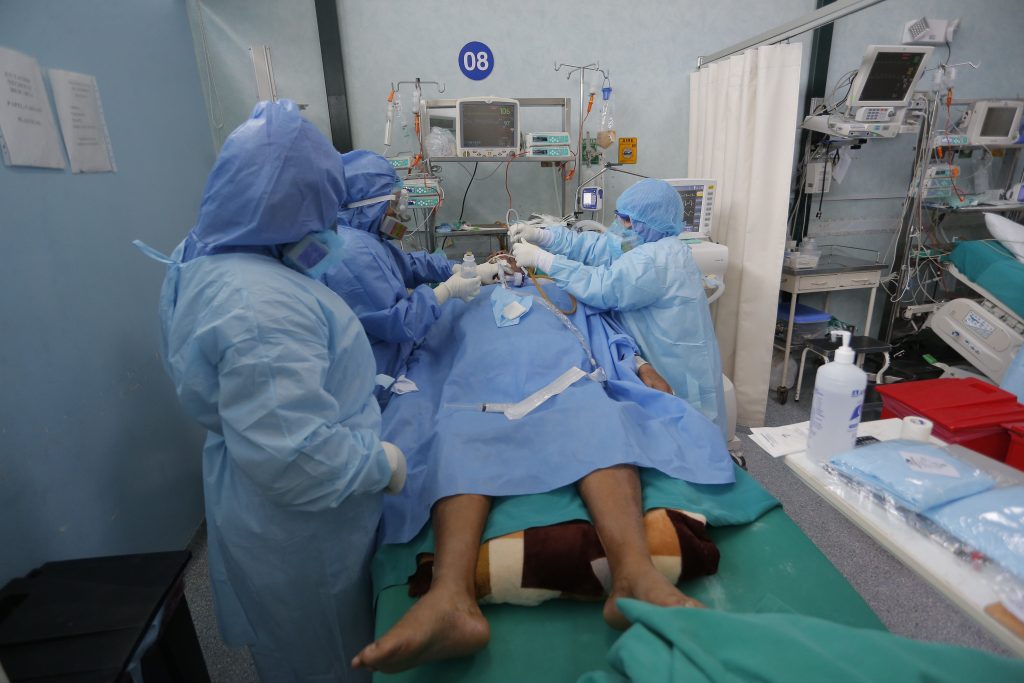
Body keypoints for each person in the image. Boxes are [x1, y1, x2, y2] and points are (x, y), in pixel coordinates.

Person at [138, 100, 405, 682]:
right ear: (290, 208)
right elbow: (296, 456)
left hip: (264, 495)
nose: (330, 231)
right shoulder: (261, 305)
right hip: (306, 524)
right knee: (335, 659)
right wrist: (377, 462)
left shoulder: (213, 257)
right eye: (322, 213)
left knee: (301, 657)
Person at [511, 178, 727, 434]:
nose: (621, 225)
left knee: (691, 430)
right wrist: (542, 236)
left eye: (627, 219)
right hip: (662, 357)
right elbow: (594, 247)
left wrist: (543, 260)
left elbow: (603, 287)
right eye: (621, 216)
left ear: (649, 222)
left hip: (679, 369)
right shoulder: (646, 244)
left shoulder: (658, 258)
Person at [325, 150, 500, 393]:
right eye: (395, 202)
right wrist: (446, 291)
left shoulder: (364, 236)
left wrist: (458, 268)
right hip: (379, 369)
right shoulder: (352, 251)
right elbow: (399, 322)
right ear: (370, 204)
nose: (400, 212)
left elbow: (407, 264)